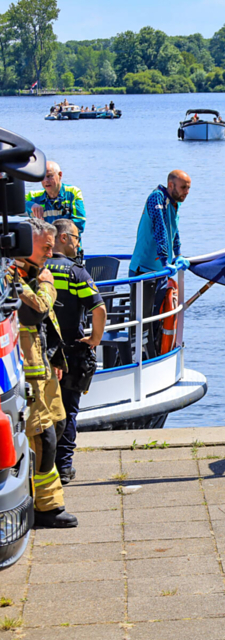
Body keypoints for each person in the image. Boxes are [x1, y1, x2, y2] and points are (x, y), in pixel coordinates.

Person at [14, 219, 77, 528]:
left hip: (44, 366)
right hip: (27, 374)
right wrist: (47, 283)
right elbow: (37, 308)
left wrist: (56, 359)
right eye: (46, 248)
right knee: (44, 438)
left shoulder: (32, 273)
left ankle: (40, 497)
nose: (51, 255)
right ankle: (46, 507)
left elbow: (44, 322)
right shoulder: (13, 275)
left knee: (60, 425)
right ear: (27, 244)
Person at [46, 219, 106, 485]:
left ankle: (41, 466)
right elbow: (99, 309)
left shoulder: (37, 268)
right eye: (75, 237)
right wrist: (94, 339)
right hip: (70, 352)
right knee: (68, 410)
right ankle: (64, 467)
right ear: (62, 238)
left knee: (42, 411)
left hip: (40, 352)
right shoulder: (76, 272)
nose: (78, 243)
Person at [129, 170, 191, 359]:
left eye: (188, 189)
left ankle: (155, 355)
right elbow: (160, 229)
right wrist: (165, 259)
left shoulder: (174, 203)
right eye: (183, 188)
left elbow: (174, 230)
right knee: (142, 320)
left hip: (161, 273)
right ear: (171, 185)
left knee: (157, 318)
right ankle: (138, 358)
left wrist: (178, 253)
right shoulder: (157, 198)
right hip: (144, 270)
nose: (186, 192)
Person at [25, 161, 87, 240]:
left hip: (67, 247)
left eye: (49, 176)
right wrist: (31, 205)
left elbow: (79, 223)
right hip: (45, 248)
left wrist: (54, 236)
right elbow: (15, 204)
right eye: (42, 177)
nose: (46, 180)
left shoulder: (73, 192)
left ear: (60, 175)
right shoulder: (33, 196)